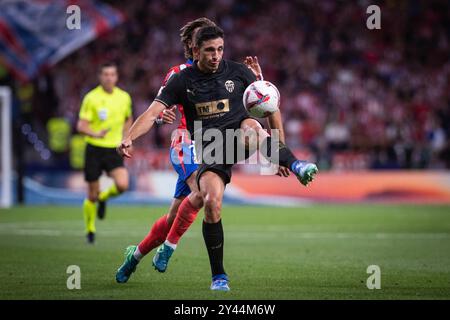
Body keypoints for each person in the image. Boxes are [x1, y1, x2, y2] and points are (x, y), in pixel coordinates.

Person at [118, 26, 317, 291]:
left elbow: (269, 104)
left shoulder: (238, 72)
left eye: (220, 49)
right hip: (198, 147)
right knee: (205, 200)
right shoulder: (179, 77)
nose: (216, 55)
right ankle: (175, 255)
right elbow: (153, 111)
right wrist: (130, 136)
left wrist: (279, 152)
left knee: (251, 131)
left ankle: (298, 165)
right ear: (194, 48)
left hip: (236, 138)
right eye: (210, 49)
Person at [77, 62, 133, 244]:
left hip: (113, 149)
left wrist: (126, 137)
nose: (109, 78)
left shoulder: (124, 97)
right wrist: (96, 133)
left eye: (112, 74)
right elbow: (81, 126)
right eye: (105, 74)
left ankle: (103, 198)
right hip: (94, 148)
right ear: (100, 77)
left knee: (123, 185)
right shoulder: (91, 98)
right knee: (91, 194)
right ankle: (90, 230)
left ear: (116, 77)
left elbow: (128, 118)